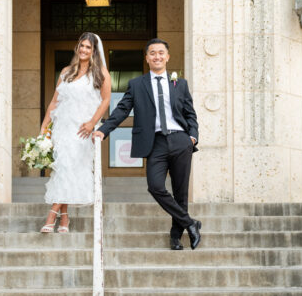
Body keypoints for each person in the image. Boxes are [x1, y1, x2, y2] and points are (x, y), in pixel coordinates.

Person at [93, 38, 201, 250]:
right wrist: (103, 131)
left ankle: (175, 237)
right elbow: (122, 110)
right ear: (147, 58)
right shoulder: (137, 84)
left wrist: (193, 136)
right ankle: (190, 223)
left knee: (180, 193)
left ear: (167, 57)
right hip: (156, 142)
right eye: (153, 53)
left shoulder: (180, 83)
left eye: (161, 53)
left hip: (180, 140)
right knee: (155, 186)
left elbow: (190, 113)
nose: (157, 56)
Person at [39, 32, 111, 233]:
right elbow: (55, 102)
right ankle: (64, 219)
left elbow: (105, 100)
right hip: (62, 128)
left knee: (70, 168)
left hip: (82, 130)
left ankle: (52, 215)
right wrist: (44, 128)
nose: (84, 50)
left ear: (94, 51)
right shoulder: (66, 72)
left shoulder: (101, 73)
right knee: (63, 169)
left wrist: (92, 123)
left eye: (88, 47)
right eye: (81, 46)